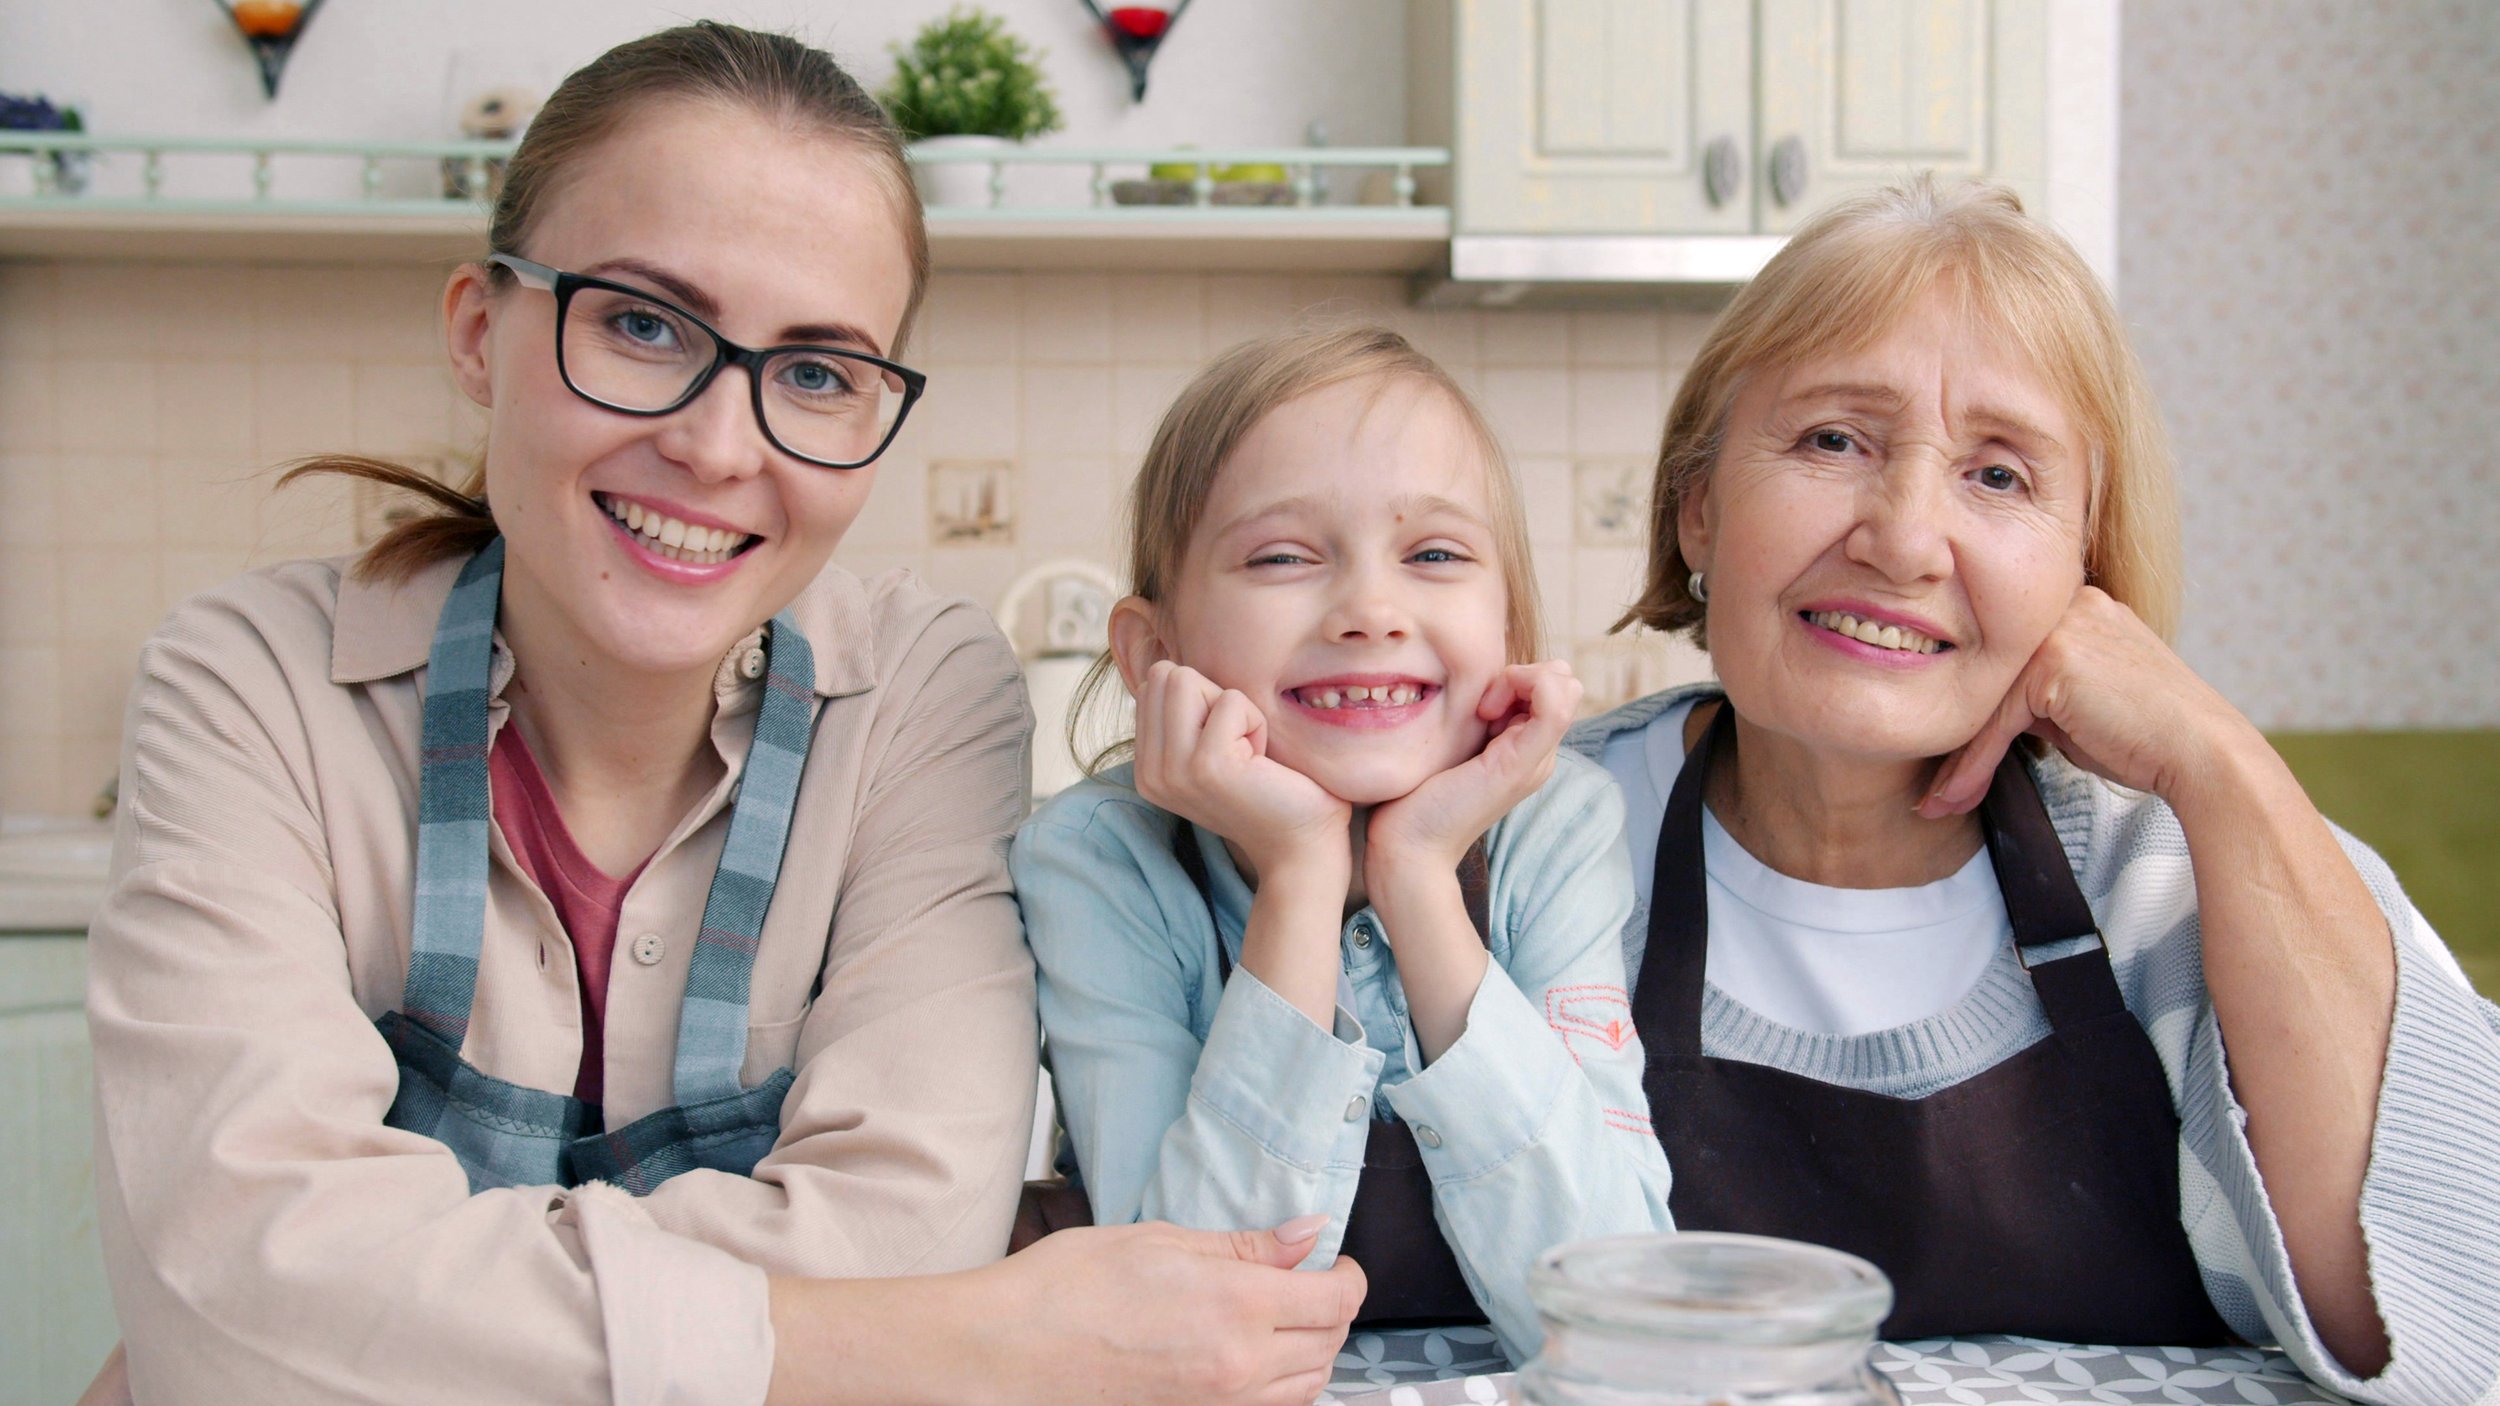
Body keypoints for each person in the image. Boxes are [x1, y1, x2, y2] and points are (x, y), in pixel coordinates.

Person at [82, 23, 1360, 1406]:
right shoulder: (251, 681)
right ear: (477, 330)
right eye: (640, 323)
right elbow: (239, 1307)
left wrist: (373, 1310)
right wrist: (975, 1338)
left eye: (816, 372)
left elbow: (901, 1234)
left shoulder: (921, 694)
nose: (716, 446)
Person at [1569, 176, 2500, 1403]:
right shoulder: (1528, 844)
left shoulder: (2178, 870)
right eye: (1832, 439)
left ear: (2084, 567)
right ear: (1699, 508)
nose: (1901, 539)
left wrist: (2215, 760)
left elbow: (2458, 1324)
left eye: (2000, 477)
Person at [1013, 325, 1675, 1365]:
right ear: (1154, 652)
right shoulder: (1095, 860)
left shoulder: (1558, 827)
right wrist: (1300, 875)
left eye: (1435, 555)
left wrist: (1415, 877)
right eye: (1282, 556)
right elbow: (1180, 1321)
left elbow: (1618, 1321)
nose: (1371, 609)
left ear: (1507, 628)